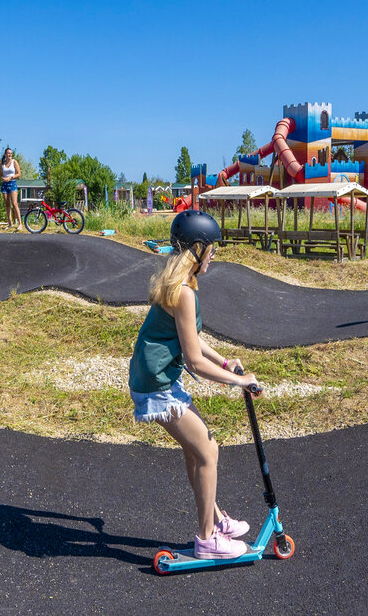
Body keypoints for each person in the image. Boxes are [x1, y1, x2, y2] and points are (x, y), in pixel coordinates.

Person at [128, 210, 259, 559]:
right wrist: (239, 381)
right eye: (211, 248)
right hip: (156, 384)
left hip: (154, 378)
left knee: (196, 449)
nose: (214, 254)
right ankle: (207, 539)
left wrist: (225, 362)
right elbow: (193, 360)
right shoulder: (183, 292)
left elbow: (194, 340)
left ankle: (216, 520)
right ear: (197, 248)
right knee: (208, 451)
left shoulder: (177, 284)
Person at [0, 147, 22, 230]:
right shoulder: (2, 164)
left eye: (11, 153)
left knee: (14, 203)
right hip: (4, 184)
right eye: (8, 153)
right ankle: (10, 224)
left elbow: (19, 174)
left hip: (12, 183)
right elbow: (0, 175)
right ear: (5, 154)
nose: (10, 155)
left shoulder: (14, 162)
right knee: (7, 204)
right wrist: (3, 178)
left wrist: (11, 177)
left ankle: (20, 224)